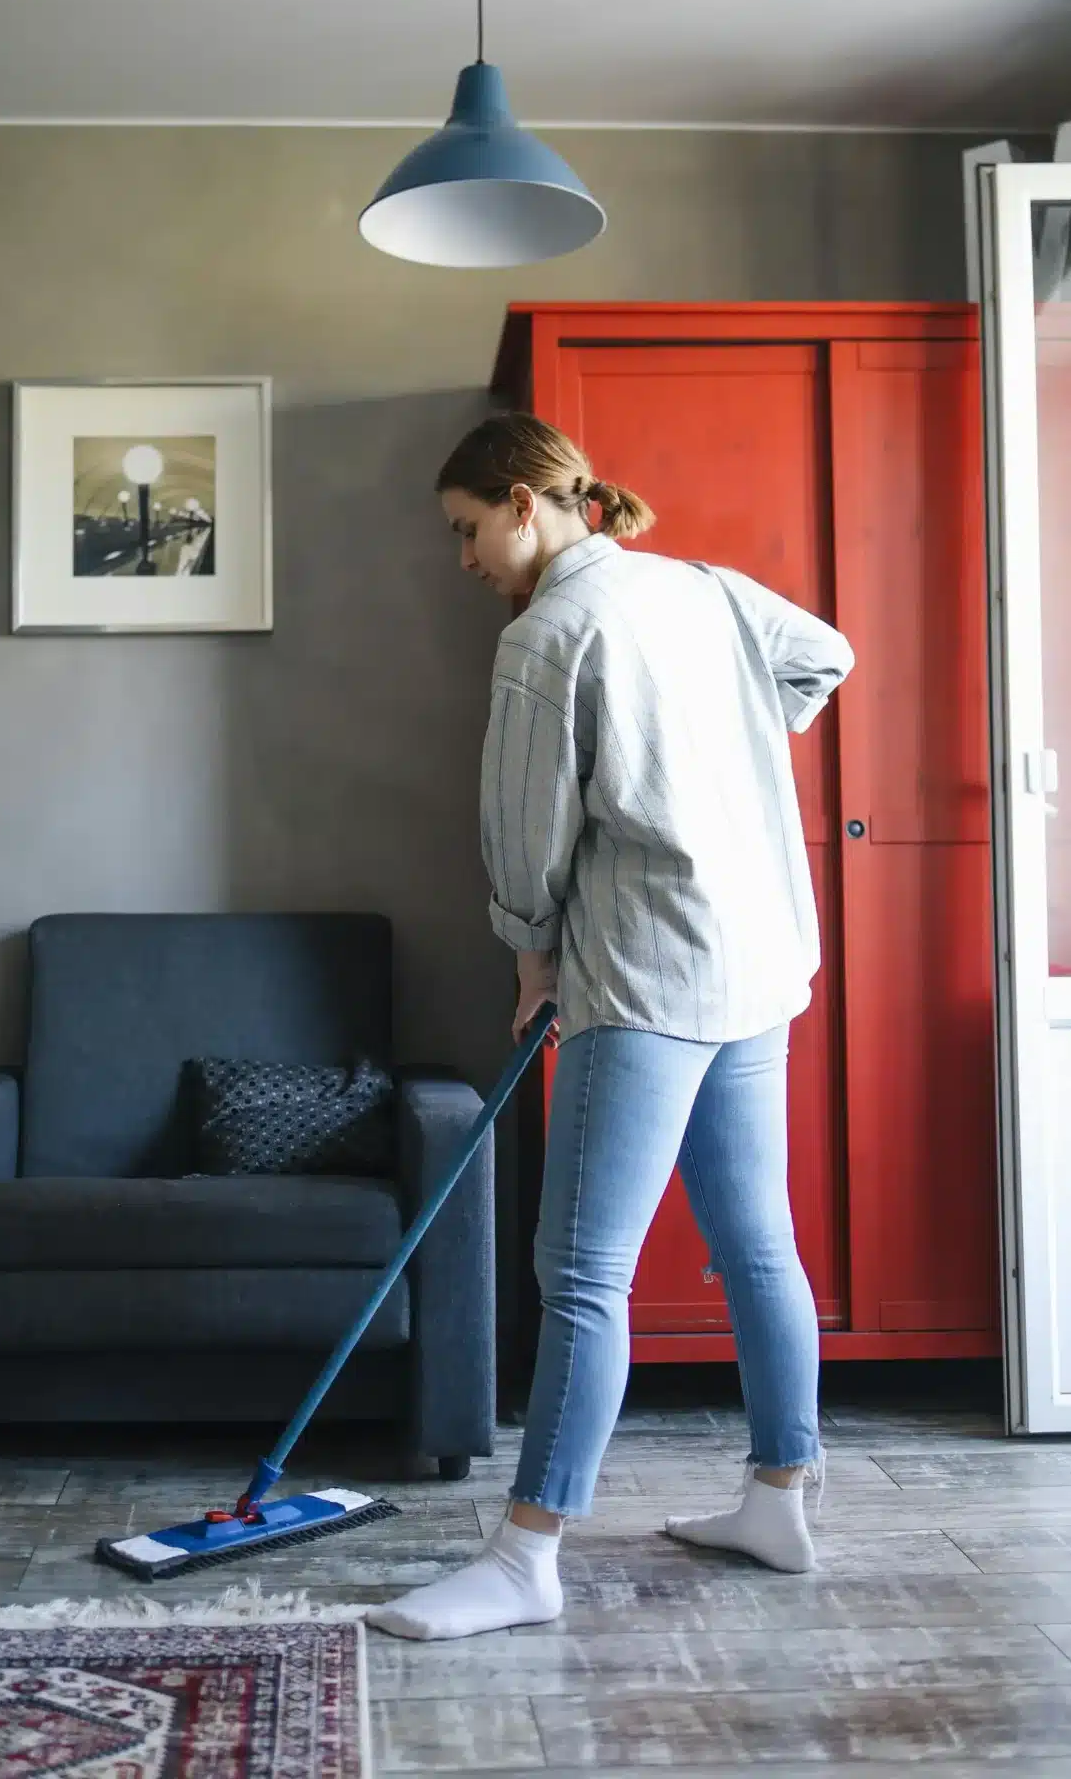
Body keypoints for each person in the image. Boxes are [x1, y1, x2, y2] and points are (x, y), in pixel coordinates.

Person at [368, 412, 854, 1644]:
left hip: (642, 977)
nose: (464, 556)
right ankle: (779, 1498)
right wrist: (721, 760)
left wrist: (532, 958)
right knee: (759, 1243)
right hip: (755, 959)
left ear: (527, 503)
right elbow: (827, 656)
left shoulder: (548, 634)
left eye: (469, 529)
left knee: (583, 1274)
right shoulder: (705, 587)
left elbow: (527, 840)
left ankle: (526, 1556)